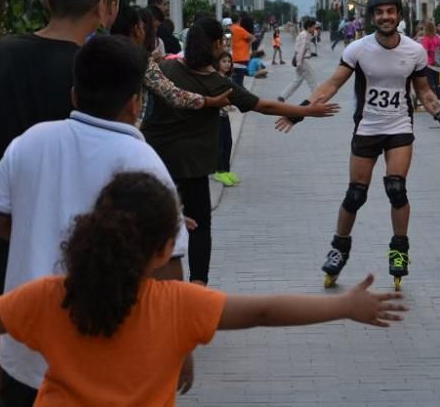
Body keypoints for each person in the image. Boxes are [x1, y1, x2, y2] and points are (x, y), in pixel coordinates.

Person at [0, 174, 407, 405]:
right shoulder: (177, 304)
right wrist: (345, 308)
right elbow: (263, 310)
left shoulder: (51, 296)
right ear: (160, 251)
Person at [0, 36, 192, 402]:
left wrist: (34, 227)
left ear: (74, 95)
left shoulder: (31, 142)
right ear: (135, 103)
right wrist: (180, 347)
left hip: (28, 350)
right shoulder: (147, 164)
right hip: (106, 358)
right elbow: (168, 268)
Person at [0, 0, 121, 407]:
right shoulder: (94, 71)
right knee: (68, 374)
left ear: (49, 1)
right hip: (66, 253)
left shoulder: (2, 53)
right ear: (103, 7)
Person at [274, 0, 440, 290]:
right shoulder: (358, 50)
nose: (385, 17)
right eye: (379, 12)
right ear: (372, 17)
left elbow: (425, 93)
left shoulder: (414, 51)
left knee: (396, 188)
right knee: (355, 195)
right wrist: (298, 113)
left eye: (391, 11)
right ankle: (339, 249)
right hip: (367, 128)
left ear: (399, 15)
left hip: (399, 127)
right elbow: (332, 84)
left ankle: (399, 250)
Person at [142, 18, 339, 285]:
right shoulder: (217, 83)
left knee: (156, 223)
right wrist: (307, 111)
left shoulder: (163, 68)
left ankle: (154, 283)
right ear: (215, 45)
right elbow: (263, 106)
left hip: (154, 162)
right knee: (199, 226)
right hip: (193, 167)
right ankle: (198, 285)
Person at [109, 4, 230, 129]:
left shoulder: (104, 52)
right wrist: (209, 101)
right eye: (144, 27)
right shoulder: (140, 60)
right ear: (136, 30)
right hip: (129, 131)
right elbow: (173, 95)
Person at [279, 18, 320, 102]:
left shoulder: (304, 34)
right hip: (301, 60)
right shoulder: (305, 36)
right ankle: (316, 97)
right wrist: (299, 63)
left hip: (299, 59)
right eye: (313, 27)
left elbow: (313, 35)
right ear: (309, 27)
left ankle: (283, 96)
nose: (314, 29)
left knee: (297, 80)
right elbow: (302, 50)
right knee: (312, 79)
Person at [214, 52, 239, 187]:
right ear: (218, 63)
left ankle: (227, 170)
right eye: (224, 61)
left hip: (225, 115)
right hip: (216, 116)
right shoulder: (215, 78)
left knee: (228, 142)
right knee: (220, 144)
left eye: (229, 61)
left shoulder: (228, 79)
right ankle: (219, 171)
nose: (227, 64)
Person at [229, 14, 254, 87]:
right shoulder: (239, 29)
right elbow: (252, 38)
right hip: (241, 57)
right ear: (239, 20)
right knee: (239, 82)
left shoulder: (229, 29)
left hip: (231, 57)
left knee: (234, 79)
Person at [420, 21, 440, 98]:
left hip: (429, 64)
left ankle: (433, 99)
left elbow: (424, 52)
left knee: (430, 83)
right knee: (438, 82)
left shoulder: (425, 39)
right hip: (437, 64)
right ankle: (439, 97)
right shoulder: (437, 38)